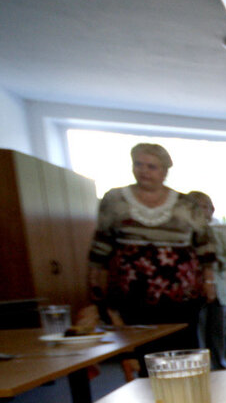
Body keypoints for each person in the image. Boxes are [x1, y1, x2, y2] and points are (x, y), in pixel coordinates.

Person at [82, 143, 215, 351]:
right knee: (143, 347)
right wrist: (94, 280)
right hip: (132, 289)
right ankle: (145, 382)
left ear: (164, 171)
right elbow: (101, 243)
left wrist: (209, 282)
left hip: (181, 291)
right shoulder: (115, 200)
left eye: (151, 166)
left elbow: (205, 246)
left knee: (183, 347)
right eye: (138, 164)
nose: (144, 171)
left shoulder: (186, 203)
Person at [189, 191, 226, 369]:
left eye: (205, 207)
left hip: (218, 291)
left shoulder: (218, 235)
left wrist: (217, 261)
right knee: (197, 331)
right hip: (194, 291)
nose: (202, 211)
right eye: (197, 207)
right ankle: (199, 367)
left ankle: (219, 362)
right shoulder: (185, 233)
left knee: (217, 331)